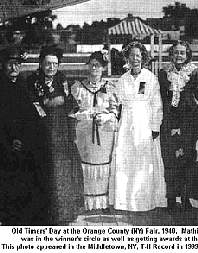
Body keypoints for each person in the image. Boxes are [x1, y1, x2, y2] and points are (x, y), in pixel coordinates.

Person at [27, 45, 84, 225]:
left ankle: (63, 213)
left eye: (55, 64)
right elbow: (34, 104)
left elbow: (68, 103)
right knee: (44, 170)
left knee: (62, 171)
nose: (51, 67)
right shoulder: (32, 80)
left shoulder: (62, 79)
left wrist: (66, 106)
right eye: (48, 64)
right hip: (41, 130)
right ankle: (44, 213)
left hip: (60, 130)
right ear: (41, 64)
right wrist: (50, 102)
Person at [110, 41, 167, 211]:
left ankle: (143, 202)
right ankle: (125, 201)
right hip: (127, 124)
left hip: (144, 123)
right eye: (131, 55)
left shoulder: (150, 78)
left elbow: (157, 104)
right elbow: (116, 102)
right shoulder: (123, 79)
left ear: (143, 57)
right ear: (127, 58)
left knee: (143, 163)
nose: (135, 59)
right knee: (125, 160)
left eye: (138, 55)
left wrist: (155, 126)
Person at [0, 46, 47, 225]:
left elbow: (30, 115)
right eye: (10, 64)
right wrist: (9, 141)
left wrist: (25, 138)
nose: (14, 68)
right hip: (5, 145)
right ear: (3, 65)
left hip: (23, 144)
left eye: (17, 64)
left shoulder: (22, 85)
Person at [159, 40, 198, 212]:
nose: (179, 56)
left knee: (187, 158)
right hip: (169, 119)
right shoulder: (164, 72)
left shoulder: (193, 71)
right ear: (171, 54)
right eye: (176, 52)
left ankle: (185, 197)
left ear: (187, 55)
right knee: (170, 158)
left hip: (189, 120)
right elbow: (162, 97)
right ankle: (171, 197)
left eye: (182, 53)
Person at [70, 51, 118, 213]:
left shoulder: (110, 88)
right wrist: (85, 114)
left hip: (104, 132)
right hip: (84, 133)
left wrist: (106, 117)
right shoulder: (78, 87)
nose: (95, 67)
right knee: (85, 164)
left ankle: (103, 201)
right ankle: (86, 202)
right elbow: (71, 112)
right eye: (92, 64)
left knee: (103, 165)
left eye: (99, 65)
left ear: (104, 68)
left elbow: (116, 112)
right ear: (88, 66)